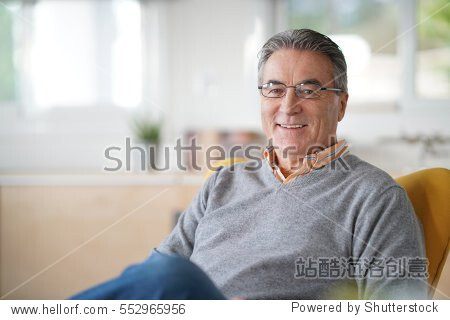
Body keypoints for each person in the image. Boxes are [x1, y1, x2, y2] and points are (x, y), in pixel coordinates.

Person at [70, 29, 428, 300]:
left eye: (308, 90)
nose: (288, 106)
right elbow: (157, 270)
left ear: (341, 105)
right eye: (274, 89)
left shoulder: (375, 197)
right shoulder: (224, 180)